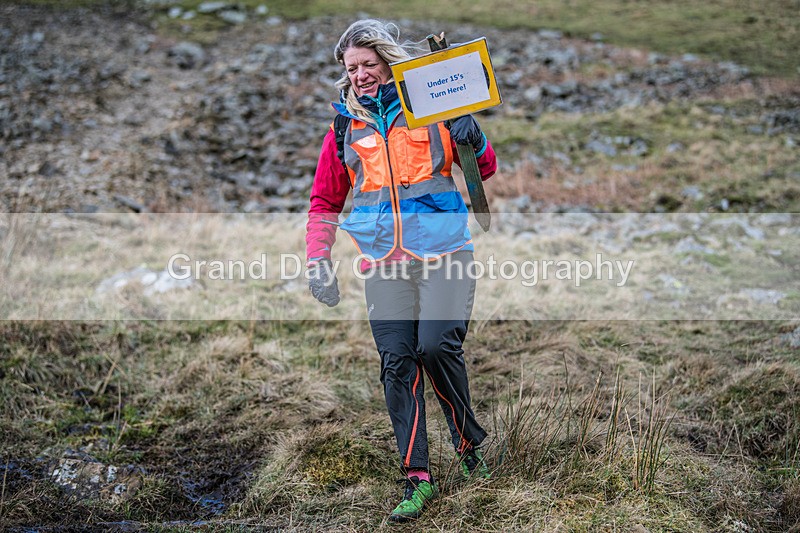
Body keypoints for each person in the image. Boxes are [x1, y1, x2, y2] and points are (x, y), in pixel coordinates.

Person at [305, 19, 498, 523]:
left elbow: (486, 168)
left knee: (435, 347)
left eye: (369, 64)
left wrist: (472, 137)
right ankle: (418, 479)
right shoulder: (346, 125)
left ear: (388, 63)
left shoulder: (432, 106)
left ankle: (468, 446)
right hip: (383, 263)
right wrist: (317, 258)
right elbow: (325, 199)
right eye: (352, 68)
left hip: (445, 253)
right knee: (397, 364)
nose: (361, 75)